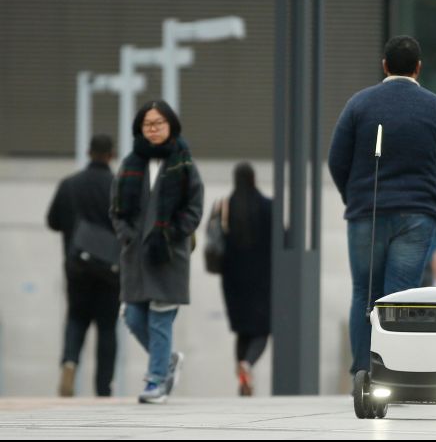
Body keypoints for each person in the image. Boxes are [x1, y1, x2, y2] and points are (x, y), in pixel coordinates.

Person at [328, 35, 436, 378]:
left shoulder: (359, 105)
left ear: (384, 65)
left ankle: (363, 372)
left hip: (365, 214)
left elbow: (336, 160)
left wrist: (354, 196)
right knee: (399, 299)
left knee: (364, 293)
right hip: (417, 216)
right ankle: (393, 371)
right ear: (418, 68)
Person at [110, 99, 203, 404]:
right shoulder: (130, 162)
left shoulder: (184, 162)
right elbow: (116, 209)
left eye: (159, 123)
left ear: (171, 126)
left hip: (168, 255)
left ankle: (155, 383)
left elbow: (194, 206)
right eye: (148, 124)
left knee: (159, 319)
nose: (153, 129)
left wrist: (175, 233)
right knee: (134, 317)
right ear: (140, 128)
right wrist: (126, 237)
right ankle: (167, 362)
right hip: (135, 255)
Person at [47, 134, 120, 397]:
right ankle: (103, 388)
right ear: (112, 154)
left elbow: (52, 221)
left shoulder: (69, 185)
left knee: (76, 318)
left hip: (77, 266)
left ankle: (69, 361)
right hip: (111, 271)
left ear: (88, 152)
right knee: (107, 328)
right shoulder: (118, 186)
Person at [212, 162, 272, 396]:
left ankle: (242, 378)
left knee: (242, 330)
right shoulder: (268, 207)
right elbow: (284, 240)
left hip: (232, 280)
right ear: (254, 179)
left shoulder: (224, 207)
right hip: (263, 279)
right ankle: (247, 364)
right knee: (262, 330)